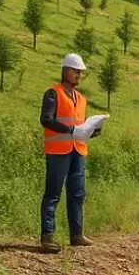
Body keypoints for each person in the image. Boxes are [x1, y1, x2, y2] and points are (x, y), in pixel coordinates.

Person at [40, 53, 99, 253]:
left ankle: (77, 235)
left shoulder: (81, 99)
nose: (79, 75)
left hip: (78, 150)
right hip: (58, 151)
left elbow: (79, 125)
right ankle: (47, 237)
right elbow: (46, 119)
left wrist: (92, 130)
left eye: (80, 72)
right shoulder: (52, 93)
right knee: (53, 194)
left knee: (77, 193)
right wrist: (71, 130)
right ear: (65, 70)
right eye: (76, 71)